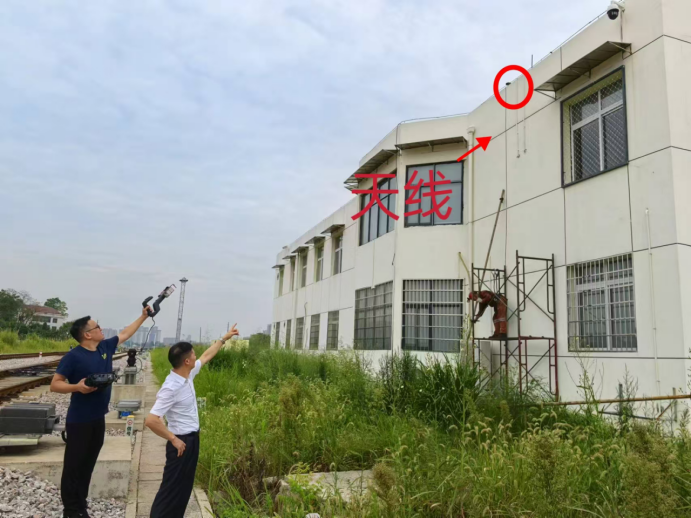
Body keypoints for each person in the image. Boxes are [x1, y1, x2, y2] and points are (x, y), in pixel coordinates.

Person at [51, 306, 152, 518]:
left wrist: (143, 316)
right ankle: (70, 511)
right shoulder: (73, 357)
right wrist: (77, 387)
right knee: (74, 467)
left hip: (98, 418)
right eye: (97, 327)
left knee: (88, 465)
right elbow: (55, 384)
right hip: (79, 420)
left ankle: (81, 507)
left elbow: (125, 333)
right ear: (87, 334)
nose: (101, 329)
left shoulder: (104, 347)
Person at [145, 324, 240, 518]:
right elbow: (151, 420)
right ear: (186, 361)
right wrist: (173, 439)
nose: (196, 356)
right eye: (193, 354)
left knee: (183, 489)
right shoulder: (171, 387)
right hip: (180, 443)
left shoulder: (187, 374)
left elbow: (206, 356)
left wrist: (224, 338)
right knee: (171, 489)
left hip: (192, 440)